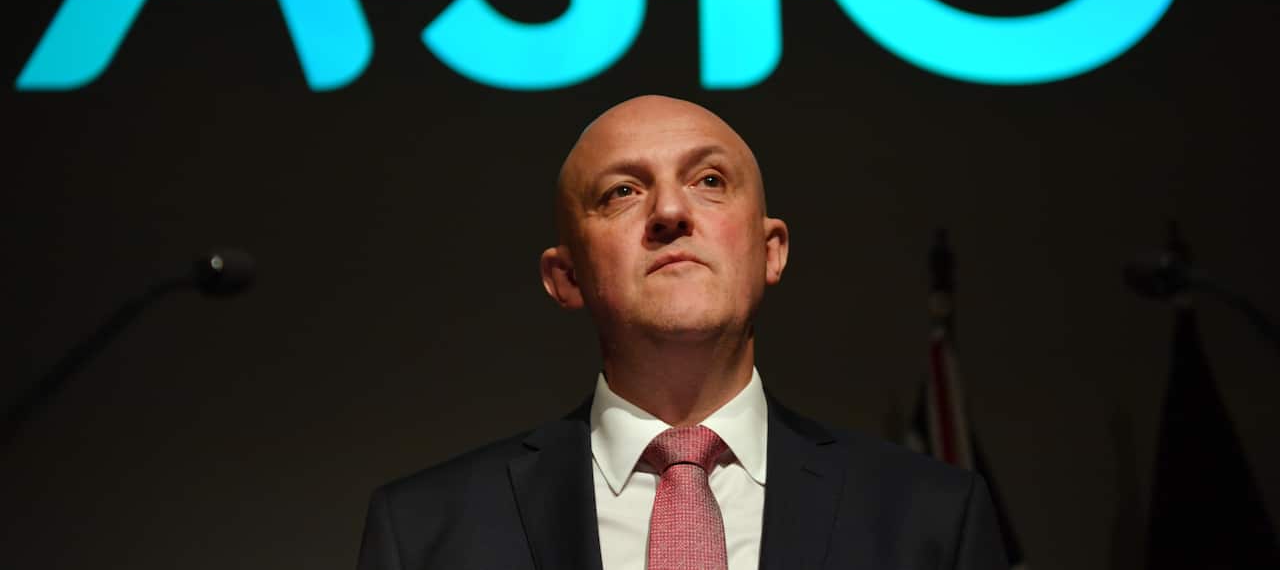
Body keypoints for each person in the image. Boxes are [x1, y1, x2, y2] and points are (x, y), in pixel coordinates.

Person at [356, 94, 1009, 570]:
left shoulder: (931, 519)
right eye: (621, 192)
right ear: (566, 276)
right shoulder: (424, 532)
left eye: (709, 180)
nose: (670, 211)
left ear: (770, 249)